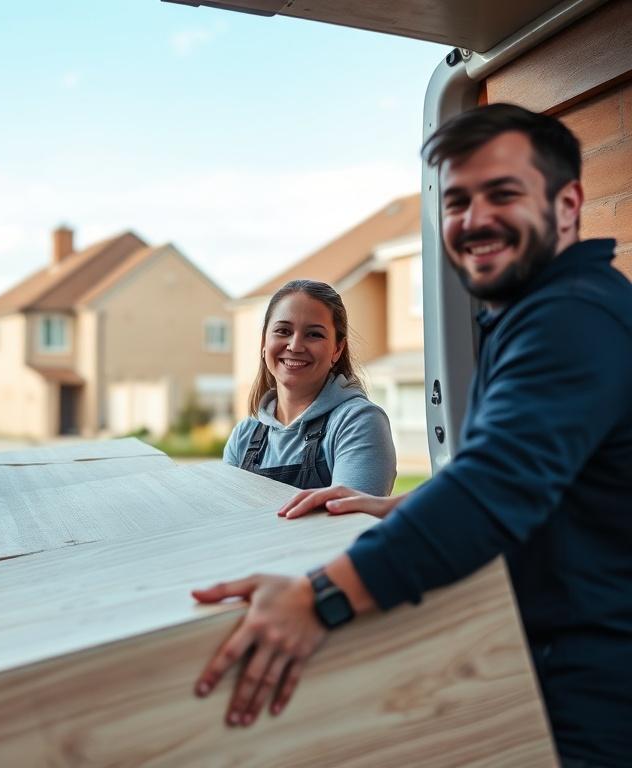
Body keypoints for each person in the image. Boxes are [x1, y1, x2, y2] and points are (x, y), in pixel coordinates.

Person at [192, 104, 632, 768]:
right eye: (456, 200)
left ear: (567, 204)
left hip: (597, 678)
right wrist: (384, 507)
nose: (474, 219)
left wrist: (316, 599)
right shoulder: (537, 314)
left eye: (503, 194)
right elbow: (538, 485)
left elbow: (492, 492)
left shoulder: (568, 320)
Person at [223, 279, 396, 495]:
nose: (295, 346)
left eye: (314, 334)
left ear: (337, 349)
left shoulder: (358, 422)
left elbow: (351, 525)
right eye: (283, 331)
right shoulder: (244, 436)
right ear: (263, 344)